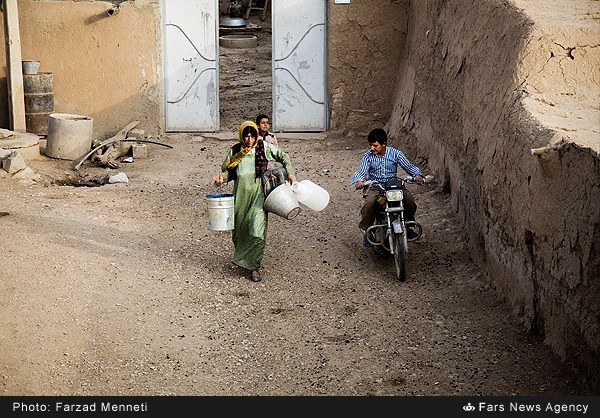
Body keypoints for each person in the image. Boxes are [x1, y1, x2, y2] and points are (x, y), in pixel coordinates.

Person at [212, 121, 297, 282]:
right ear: (241, 136)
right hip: (240, 198)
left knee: (257, 230)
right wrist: (220, 179)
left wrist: (291, 173)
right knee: (240, 231)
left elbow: (284, 156)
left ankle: (254, 268)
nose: (250, 140)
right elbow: (227, 173)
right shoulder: (236, 151)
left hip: (259, 196)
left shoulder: (264, 148)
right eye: (246, 136)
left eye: (252, 136)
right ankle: (244, 259)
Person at [350, 128, 425, 246]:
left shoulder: (396, 154)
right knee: (369, 204)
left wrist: (417, 175)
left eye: (375, 145)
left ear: (384, 144)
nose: (372, 148)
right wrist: (359, 180)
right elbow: (362, 171)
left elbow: (408, 166)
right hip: (376, 187)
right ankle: (368, 233)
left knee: (409, 200)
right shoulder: (368, 156)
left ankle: (408, 227)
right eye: (370, 145)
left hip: (394, 187)